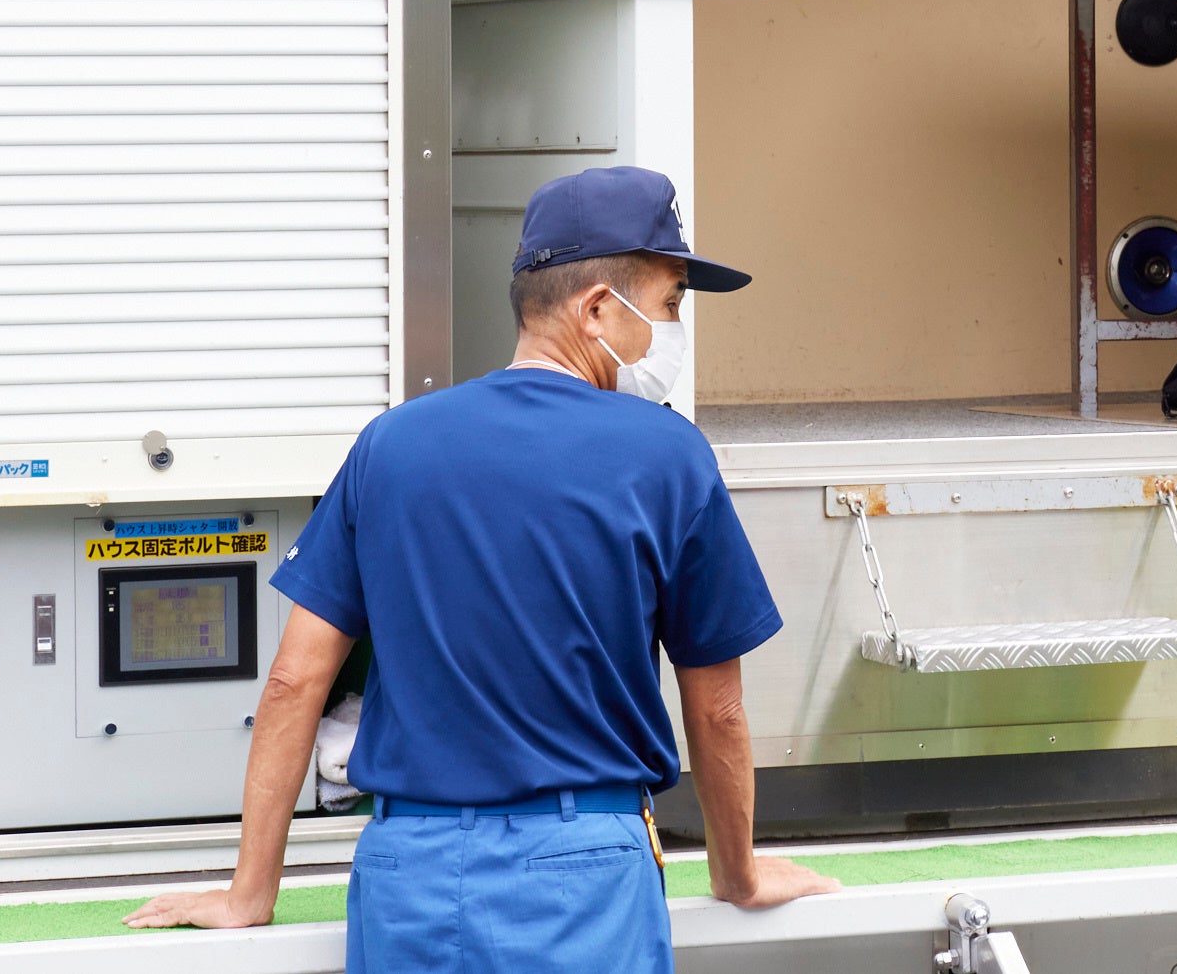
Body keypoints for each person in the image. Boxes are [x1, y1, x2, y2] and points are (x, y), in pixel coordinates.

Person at [128, 165, 835, 961]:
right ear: (599, 308)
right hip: (582, 876)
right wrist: (737, 876)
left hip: (408, 876)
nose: (670, 330)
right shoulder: (666, 456)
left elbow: (295, 682)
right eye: (670, 303)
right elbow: (718, 711)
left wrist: (248, 893)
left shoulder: (390, 445)